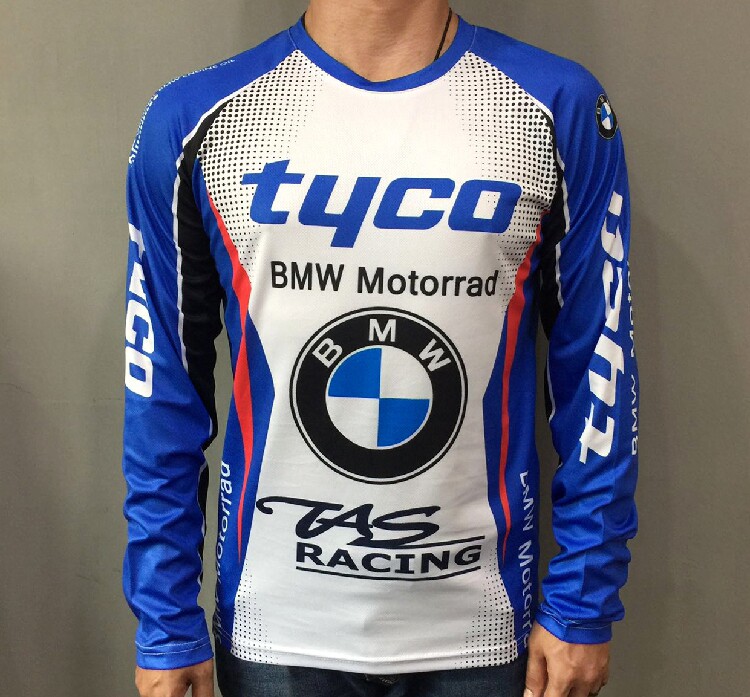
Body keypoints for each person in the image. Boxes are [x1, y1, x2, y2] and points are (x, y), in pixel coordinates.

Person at [122, 1, 639, 696]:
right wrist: (165, 617)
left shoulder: (553, 106)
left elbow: (598, 370)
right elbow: (162, 387)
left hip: (482, 631)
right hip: (275, 630)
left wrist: (583, 599)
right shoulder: (196, 118)